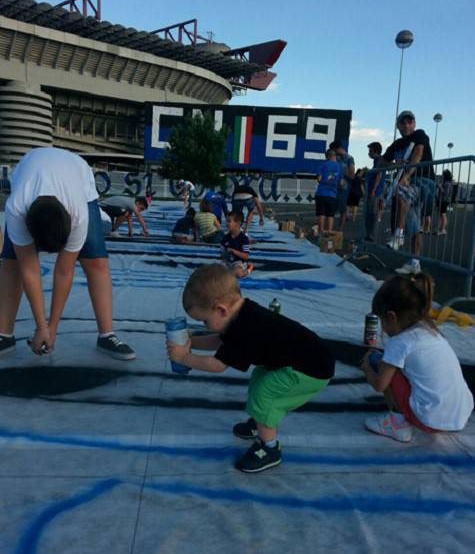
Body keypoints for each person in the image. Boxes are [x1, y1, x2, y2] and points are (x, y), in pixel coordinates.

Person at [167, 264, 335, 473]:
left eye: (204, 320)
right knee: (260, 377)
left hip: (311, 369)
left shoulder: (244, 328)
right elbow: (220, 340)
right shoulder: (241, 314)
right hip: (304, 358)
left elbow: (218, 365)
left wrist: (184, 357)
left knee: (266, 394)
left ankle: (270, 448)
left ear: (221, 309)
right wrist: (191, 341)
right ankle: (260, 421)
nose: (205, 325)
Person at [0, 147, 135, 359]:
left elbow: (64, 271)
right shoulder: (17, 208)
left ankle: (107, 334)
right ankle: (4, 334)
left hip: (77, 175)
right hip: (30, 169)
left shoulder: (78, 214)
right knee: (12, 262)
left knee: (96, 261)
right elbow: (30, 270)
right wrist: (40, 326)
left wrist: (51, 327)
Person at [360, 273, 473, 442]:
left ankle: (398, 425)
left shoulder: (399, 342)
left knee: (379, 362)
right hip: (460, 416)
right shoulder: (431, 330)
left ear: (391, 317)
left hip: (431, 420)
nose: (382, 328)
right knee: (393, 363)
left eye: (381, 321)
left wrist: (367, 367)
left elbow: (379, 384)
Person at [381, 110, 435, 253]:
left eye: (410, 122)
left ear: (414, 123)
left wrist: (406, 176)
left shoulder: (419, 134)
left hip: (423, 181)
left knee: (401, 192)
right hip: (409, 183)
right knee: (414, 224)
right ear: (397, 126)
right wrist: (395, 165)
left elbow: (418, 154)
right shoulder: (397, 144)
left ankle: (398, 235)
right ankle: (415, 263)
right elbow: (382, 162)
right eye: (403, 123)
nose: (406, 125)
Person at [314, 149, 342, 234]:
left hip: (321, 193)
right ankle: (329, 232)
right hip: (332, 194)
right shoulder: (339, 166)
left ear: (327, 156)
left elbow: (319, 178)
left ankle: (321, 232)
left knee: (321, 214)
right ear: (334, 156)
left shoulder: (323, 164)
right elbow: (341, 182)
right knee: (330, 215)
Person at [329, 140, 355, 231]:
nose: (333, 153)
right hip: (333, 188)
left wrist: (341, 172)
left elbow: (352, 174)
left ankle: (339, 230)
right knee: (330, 209)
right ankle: (329, 230)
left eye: (333, 151)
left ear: (338, 149)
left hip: (344, 189)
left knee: (343, 210)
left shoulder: (349, 159)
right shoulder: (336, 158)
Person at [220, 212, 253, 277]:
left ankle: (248, 269)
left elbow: (246, 256)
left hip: (239, 262)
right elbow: (221, 255)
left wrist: (233, 251)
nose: (226, 224)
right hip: (227, 262)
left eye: (229, 221)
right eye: (226, 221)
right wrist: (225, 254)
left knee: (237, 273)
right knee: (216, 271)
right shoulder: (225, 238)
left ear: (238, 223)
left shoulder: (244, 238)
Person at [365, 142, 386, 241]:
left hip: (376, 192)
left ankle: (371, 236)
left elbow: (379, 175)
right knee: (371, 213)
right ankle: (370, 234)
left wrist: (373, 190)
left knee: (374, 214)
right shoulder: (376, 161)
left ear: (376, 151)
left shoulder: (379, 160)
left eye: (370, 151)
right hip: (375, 191)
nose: (369, 153)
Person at [436, 169, 453, 235]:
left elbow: (445, 193)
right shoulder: (448, 183)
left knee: (443, 215)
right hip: (443, 200)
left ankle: (442, 229)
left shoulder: (447, 183)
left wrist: (440, 187)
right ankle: (442, 228)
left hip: (444, 200)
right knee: (442, 215)